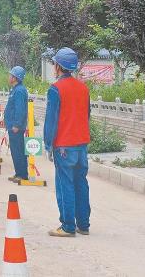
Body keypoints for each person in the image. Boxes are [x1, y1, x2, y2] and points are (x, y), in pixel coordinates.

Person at [43, 47, 91, 238]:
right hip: (81, 144)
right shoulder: (83, 88)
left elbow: (51, 120)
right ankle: (84, 225)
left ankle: (68, 226)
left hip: (64, 144)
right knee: (81, 182)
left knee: (65, 184)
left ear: (58, 66)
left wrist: (48, 145)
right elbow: (87, 114)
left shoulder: (56, 89)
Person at [4, 66, 29, 183]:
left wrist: (17, 124)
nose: (8, 77)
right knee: (15, 150)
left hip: (16, 127)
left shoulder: (19, 91)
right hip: (12, 125)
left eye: (10, 75)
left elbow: (20, 110)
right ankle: (18, 173)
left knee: (18, 150)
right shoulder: (15, 89)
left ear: (15, 78)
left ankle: (22, 175)